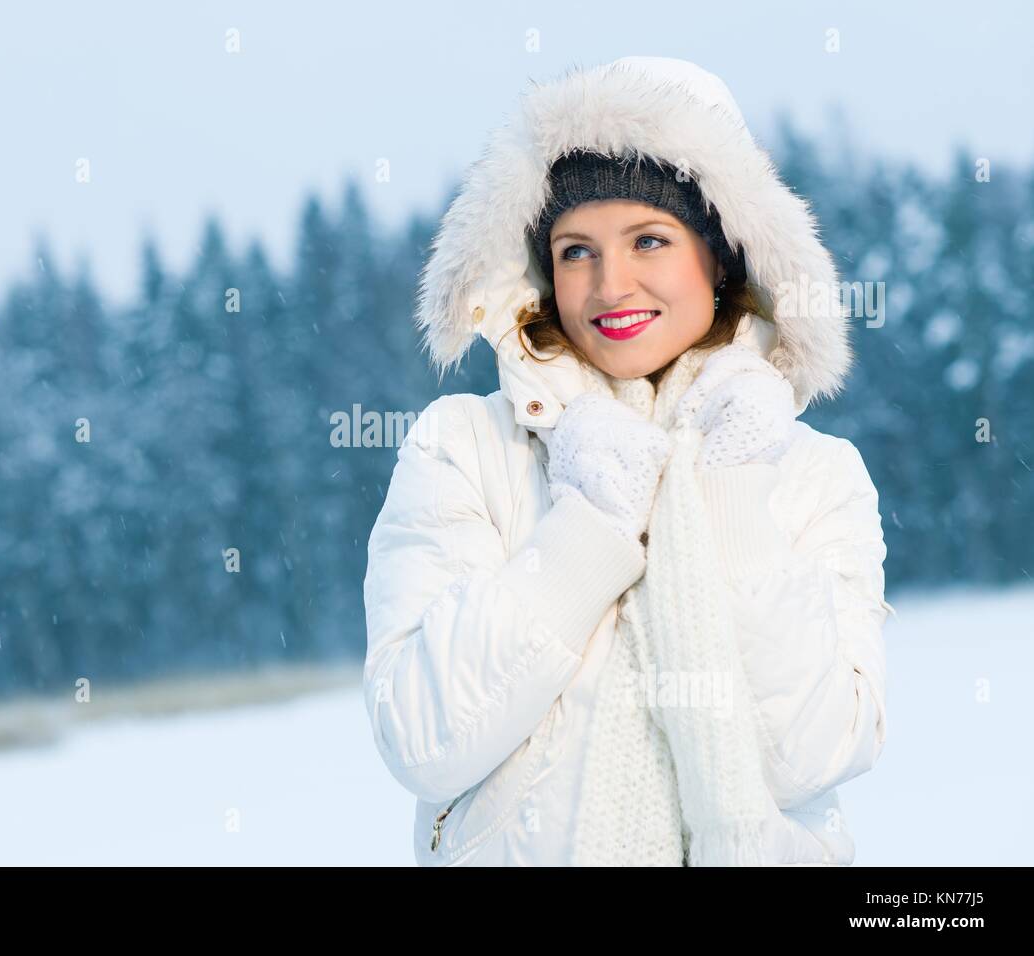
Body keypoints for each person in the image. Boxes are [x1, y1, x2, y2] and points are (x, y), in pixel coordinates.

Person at [361, 56, 897, 866]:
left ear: (721, 260)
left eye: (649, 239)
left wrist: (731, 497)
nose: (611, 285)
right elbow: (422, 738)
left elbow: (813, 755)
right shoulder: (463, 445)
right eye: (577, 251)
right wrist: (590, 525)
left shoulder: (815, 475)